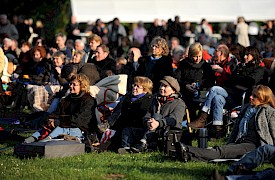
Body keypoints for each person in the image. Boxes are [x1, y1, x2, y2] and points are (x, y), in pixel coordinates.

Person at [177, 85, 275, 162]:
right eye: (251, 94)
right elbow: (236, 129)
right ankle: (188, 156)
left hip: (254, 145)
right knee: (222, 150)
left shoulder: (268, 111)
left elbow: (273, 132)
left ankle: (188, 149)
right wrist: (230, 142)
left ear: (263, 98)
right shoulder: (246, 108)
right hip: (240, 141)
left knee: (221, 151)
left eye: (255, 96)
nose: (250, 97)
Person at [24, 73, 97, 143]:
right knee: (46, 128)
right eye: (70, 84)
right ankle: (31, 139)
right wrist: (50, 119)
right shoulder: (67, 100)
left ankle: (45, 141)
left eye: (74, 85)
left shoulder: (88, 101)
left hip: (81, 129)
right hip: (64, 125)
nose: (71, 86)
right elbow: (57, 112)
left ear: (82, 86)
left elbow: (79, 120)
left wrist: (58, 122)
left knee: (60, 129)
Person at [188, 44, 238, 137]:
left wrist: (222, 71)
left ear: (222, 53)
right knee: (217, 99)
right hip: (220, 96)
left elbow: (234, 81)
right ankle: (217, 130)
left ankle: (202, 117)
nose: (214, 55)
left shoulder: (231, 65)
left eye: (216, 53)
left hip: (231, 95)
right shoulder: (214, 63)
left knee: (214, 89)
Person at [107, 76, 153, 153]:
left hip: (140, 127)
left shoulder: (149, 100)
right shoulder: (126, 98)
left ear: (145, 89)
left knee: (127, 130)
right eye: (134, 85)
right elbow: (117, 112)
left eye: (138, 86)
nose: (134, 88)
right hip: (124, 126)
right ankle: (125, 148)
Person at [141, 76, 186, 152]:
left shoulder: (179, 103)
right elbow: (147, 115)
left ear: (173, 90)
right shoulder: (155, 100)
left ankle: (143, 144)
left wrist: (158, 123)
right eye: (161, 85)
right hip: (152, 129)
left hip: (168, 131)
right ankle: (126, 147)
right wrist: (148, 121)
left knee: (156, 116)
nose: (161, 88)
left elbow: (174, 120)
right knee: (128, 130)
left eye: (165, 86)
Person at [175, 42, 215, 120]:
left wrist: (199, 84)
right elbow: (177, 79)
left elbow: (210, 80)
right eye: (195, 56)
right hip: (185, 92)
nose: (197, 59)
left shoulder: (205, 66)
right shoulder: (183, 64)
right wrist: (186, 85)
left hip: (201, 93)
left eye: (199, 56)